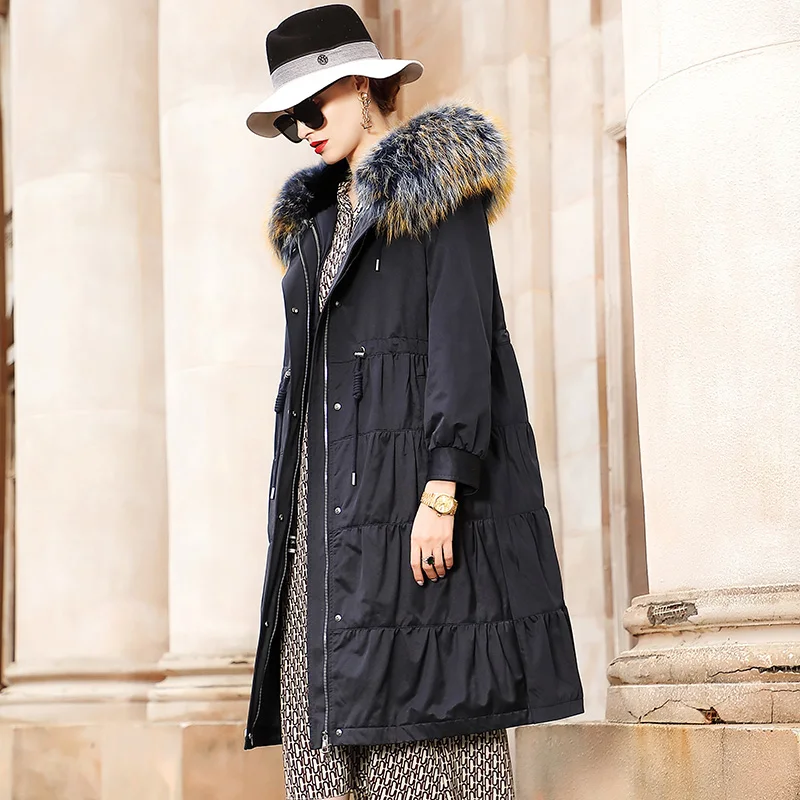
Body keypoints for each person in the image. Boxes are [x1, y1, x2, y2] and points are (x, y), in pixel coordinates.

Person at [243, 4, 584, 799]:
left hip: (407, 507)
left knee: (418, 732)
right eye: (289, 121)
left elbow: (464, 347)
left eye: (311, 108)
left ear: (362, 85)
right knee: (318, 745)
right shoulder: (315, 227)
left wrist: (443, 490)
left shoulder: (438, 191)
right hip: (317, 522)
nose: (303, 131)